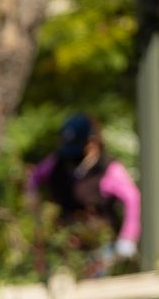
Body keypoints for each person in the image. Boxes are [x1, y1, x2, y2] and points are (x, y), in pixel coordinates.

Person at [27, 112, 141, 278]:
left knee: (98, 291)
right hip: (67, 240)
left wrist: (128, 237)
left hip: (99, 244)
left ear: (93, 143)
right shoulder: (59, 161)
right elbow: (35, 176)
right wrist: (31, 198)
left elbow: (132, 198)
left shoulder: (108, 169)